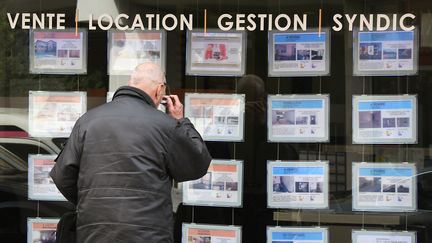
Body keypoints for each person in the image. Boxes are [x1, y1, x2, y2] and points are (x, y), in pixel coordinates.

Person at [50, 62, 212, 243]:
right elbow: (197, 164)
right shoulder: (166, 126)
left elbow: (62, 177)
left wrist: (93, 201)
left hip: (96, 234)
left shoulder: (87, 121)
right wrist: (182, 121)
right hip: (148, 236)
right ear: (159, 89)